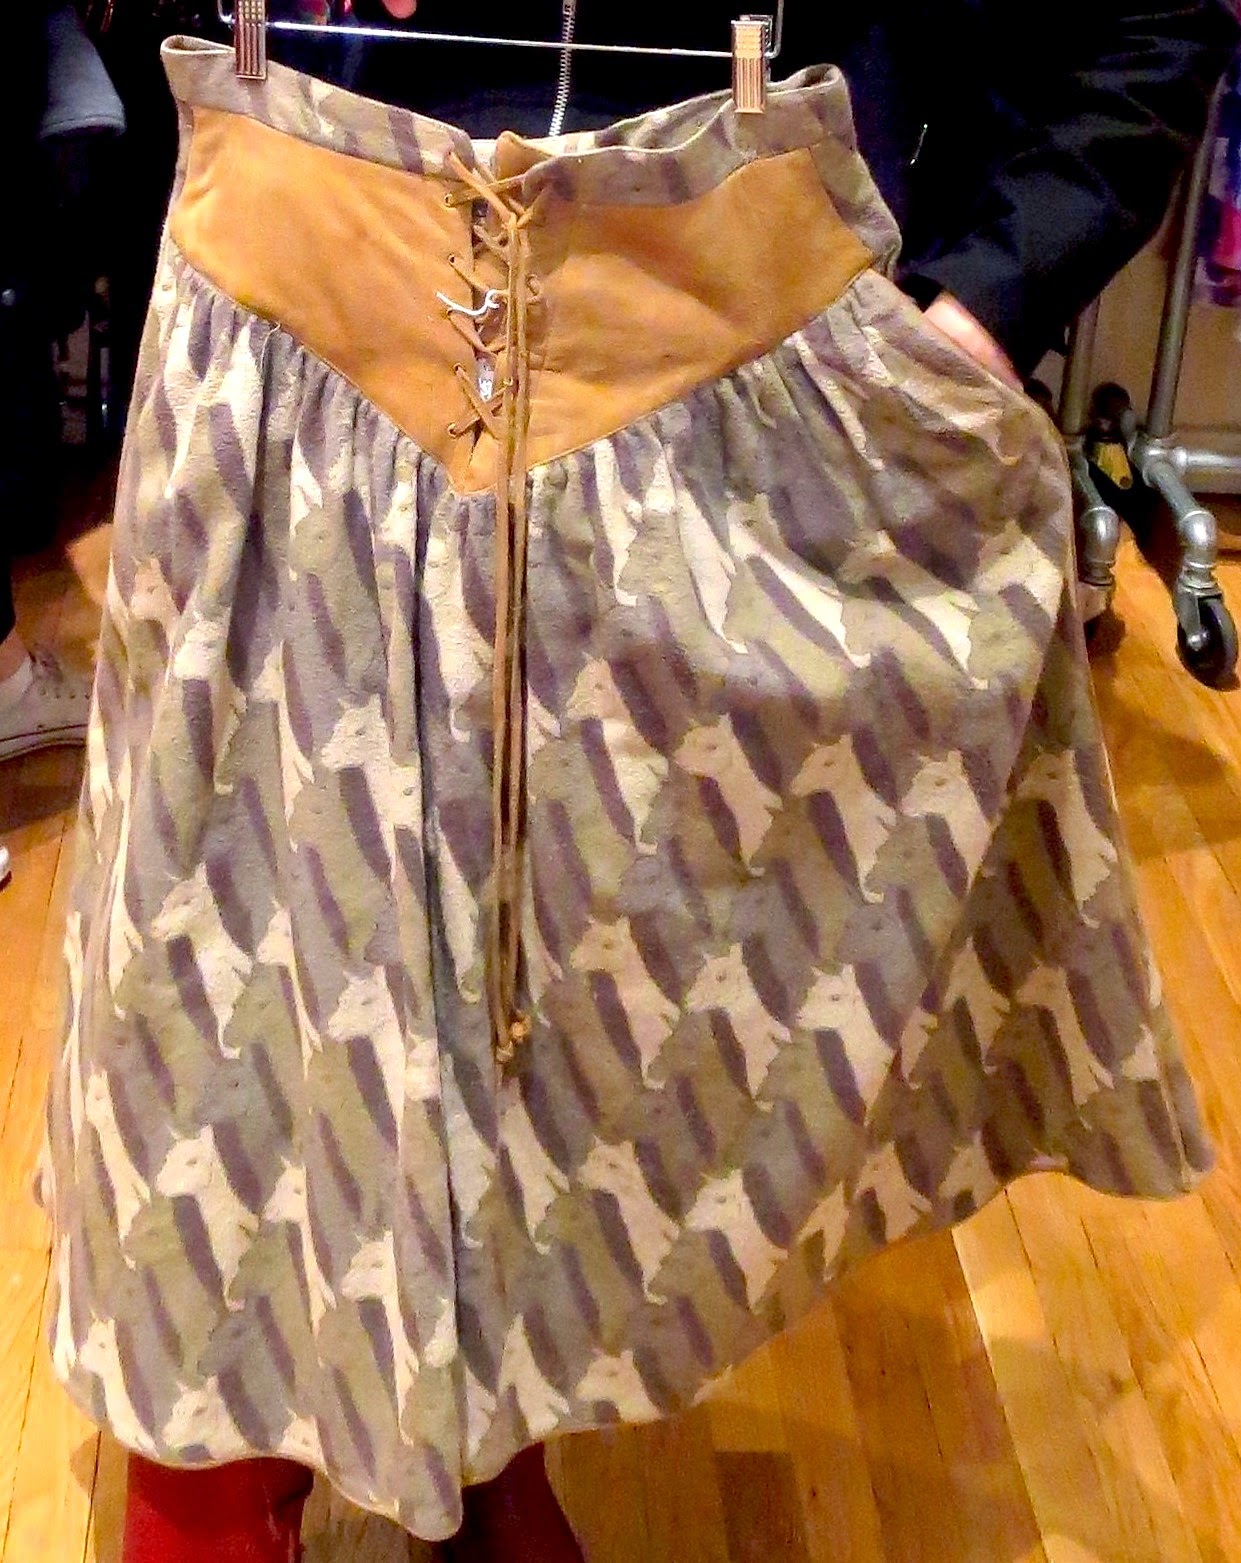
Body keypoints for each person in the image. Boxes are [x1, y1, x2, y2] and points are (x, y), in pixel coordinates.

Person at [41, 5, 1238, 1563]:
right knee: (210, 992)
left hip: (720, 365)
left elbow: (1140, 22)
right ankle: (209, 1490)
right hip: (285, 316)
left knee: (579, 1009)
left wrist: (974, 313)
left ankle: (480, 1440)